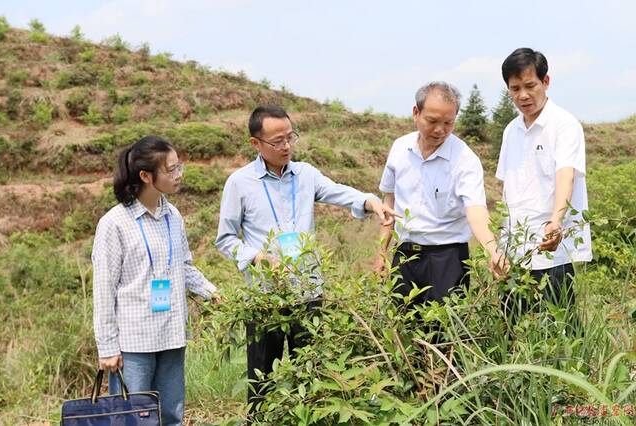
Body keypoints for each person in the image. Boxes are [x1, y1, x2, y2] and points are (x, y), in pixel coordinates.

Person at [215, 104, 398, 416]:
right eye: (277, 141)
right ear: (256, 144)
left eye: (290, 137)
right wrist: (257, 256)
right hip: (265, 298)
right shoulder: (240, 183)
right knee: (263, 382)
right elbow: (226, 239)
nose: (286, 146)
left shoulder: (306, 175)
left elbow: (340, 192)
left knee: (313, 374)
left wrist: (371, 202)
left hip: (308, 293)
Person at [92, 135, 219, 426]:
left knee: (171, 415)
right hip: (135, 342)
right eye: (171, 170)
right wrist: (107, 347)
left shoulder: (172, 215)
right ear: (146, 176)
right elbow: (103, 289)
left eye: (179, 167)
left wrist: (212, 293)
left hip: (172, 334)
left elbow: (184, 267)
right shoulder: (115, 223)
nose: (179, 175)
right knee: (134, 419)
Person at [374, 81, 507, 313]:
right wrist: (382, 252)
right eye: (432, 121)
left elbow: (475, 210)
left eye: (448, 123)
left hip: (448, 259)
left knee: (444, 335)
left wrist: (492, 250)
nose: (440, 130)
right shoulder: (400, 149)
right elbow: (389, 202)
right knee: (403, 328)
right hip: (405, 255)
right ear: (416, 113)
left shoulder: (465, 159)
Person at [496, 48, 592, 323]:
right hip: (516, 247)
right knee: (512, 323)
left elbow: (566, 174)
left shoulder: (564, 124)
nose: (523, 95)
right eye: (515, 89)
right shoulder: (510, 130)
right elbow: (507, 187)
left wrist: (556, 221)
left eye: (530, 86)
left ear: (545, 82)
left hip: (554, 246)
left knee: (561, 325)